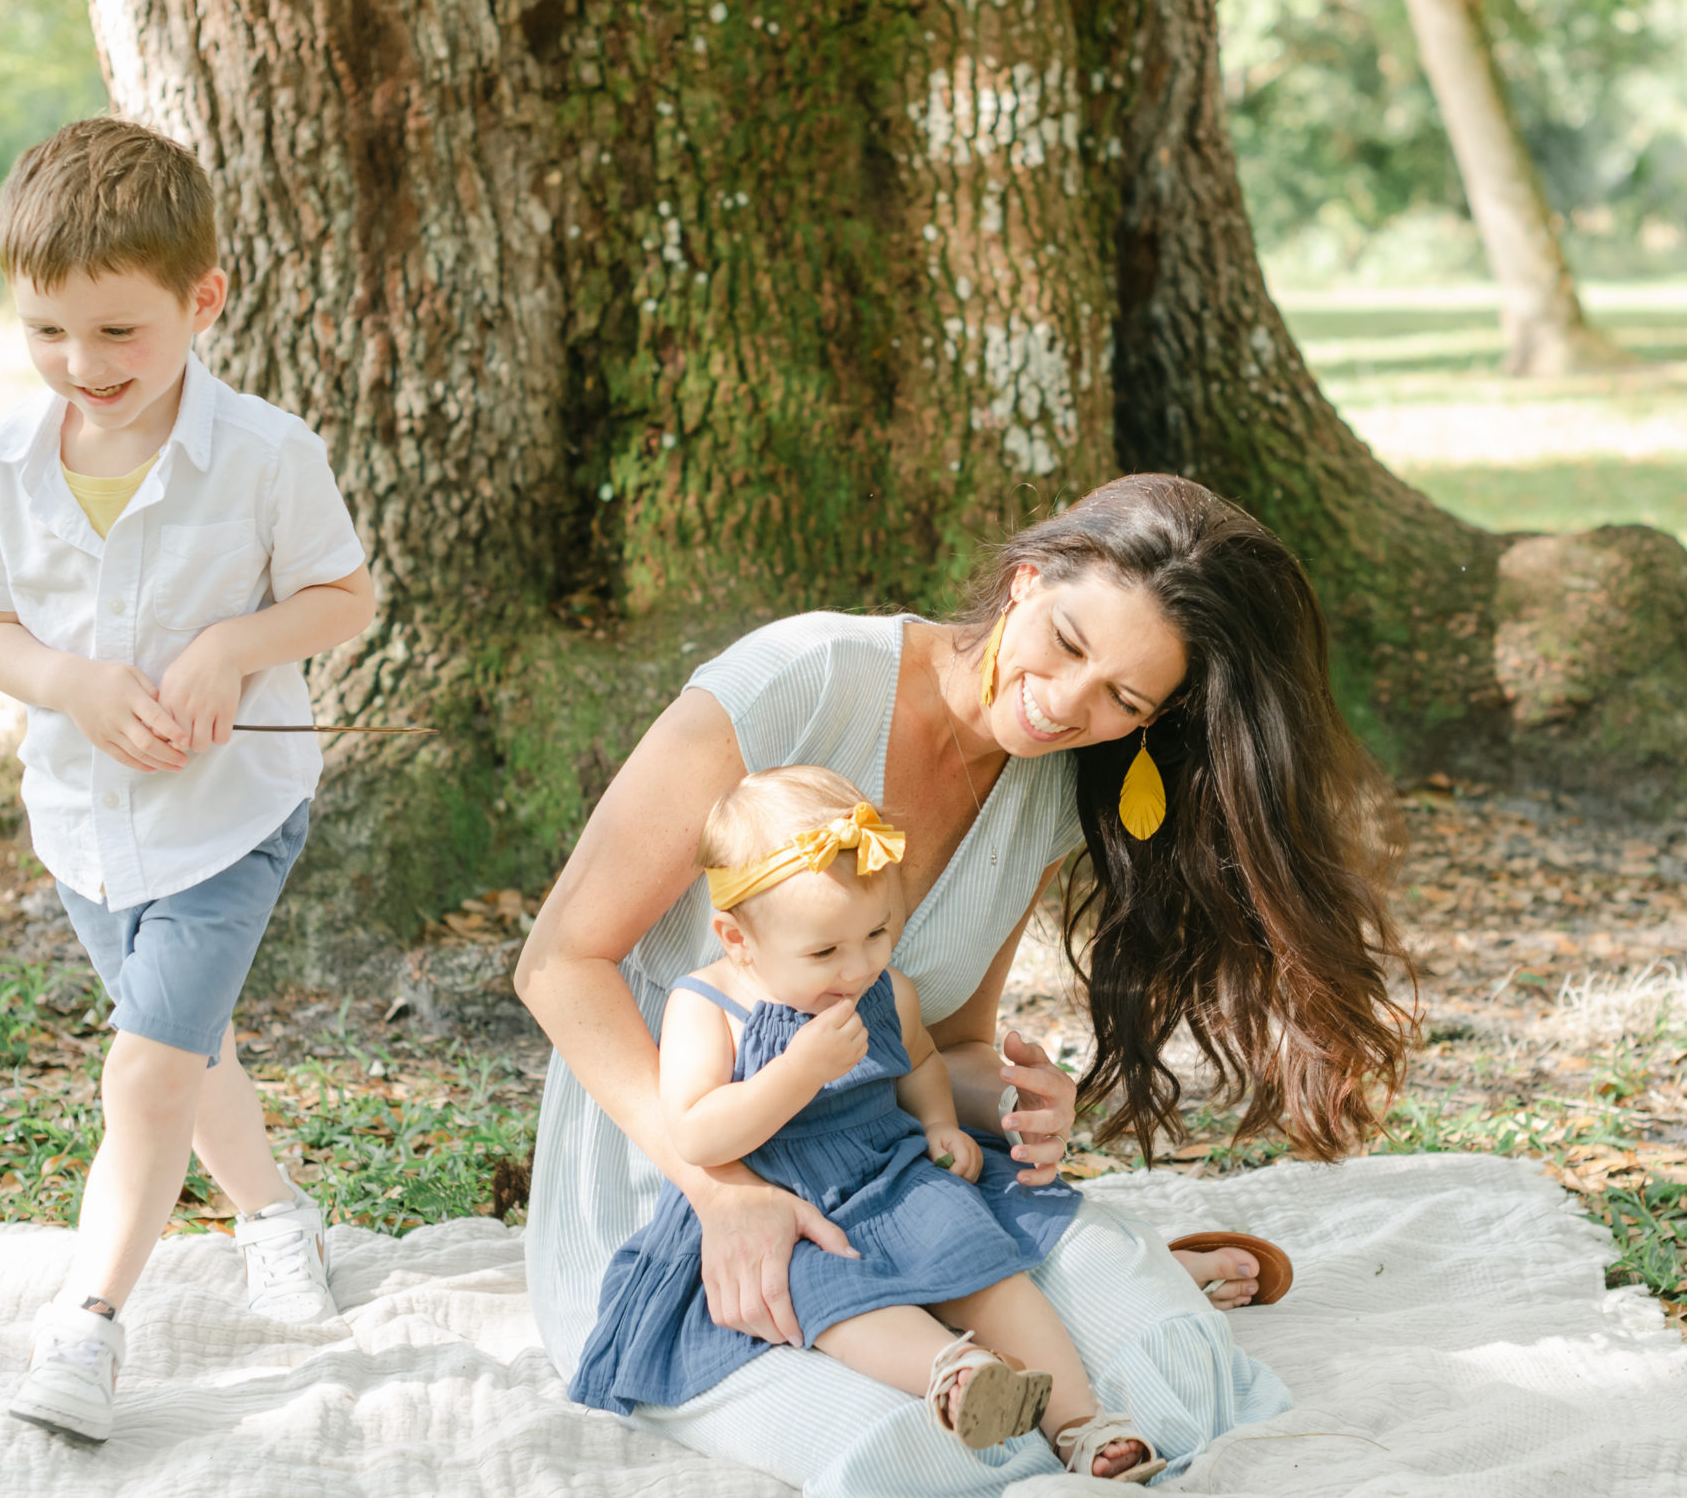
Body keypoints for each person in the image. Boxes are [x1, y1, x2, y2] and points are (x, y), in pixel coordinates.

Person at [513, 473, 1414, 1494]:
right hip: (679, 1170)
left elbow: (940, 1039)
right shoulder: (794, 680)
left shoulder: (1046, 785)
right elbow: (557, 960)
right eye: (1069, 643)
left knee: (1171, 1366)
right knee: (916, 1452)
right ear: (1026, 580)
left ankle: (1125, 1286)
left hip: (890, 1168)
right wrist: (722, 1192)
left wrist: (1014, 1097)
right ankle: (1039, 1304)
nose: (1067, 705)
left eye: (1124, 698)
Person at [0, 116, 378, 1444]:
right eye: (49, 332)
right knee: (190, 1048)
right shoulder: (5, 464)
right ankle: (274, 1213)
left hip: (234, 811)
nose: (84, 365)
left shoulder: (266, 456)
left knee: (144, 1071)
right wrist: (69, 682)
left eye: (120, 332)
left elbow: (343, 596)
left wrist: (236, 645)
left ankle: (88, 1324)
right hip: (84, 823)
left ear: (205, 300)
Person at [567, 767, 1161, 1482]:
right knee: (829, 1294)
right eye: (824, 951)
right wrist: (795, 1073)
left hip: (891, 1170)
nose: (858, 968)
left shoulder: (884, 987)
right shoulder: (707, 1005)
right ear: (737, 938)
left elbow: (917, 1063)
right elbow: (695, 1132)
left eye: (878, 932)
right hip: (787, 1202)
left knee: (982, 1262)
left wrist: (941, 1122)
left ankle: (1081, 1422)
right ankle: (956, 1372)